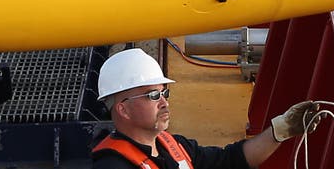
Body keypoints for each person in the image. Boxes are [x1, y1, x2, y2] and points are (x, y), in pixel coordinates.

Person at [92, 47, 320, 169]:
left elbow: (233, 160)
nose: (164, 102)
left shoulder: (175, 147)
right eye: (153, 95)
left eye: (165, 93)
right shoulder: (112, 166)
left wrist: (280, 131)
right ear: (123, 110)